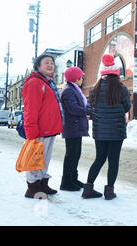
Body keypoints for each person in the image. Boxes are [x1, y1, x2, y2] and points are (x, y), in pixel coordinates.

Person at [82, 54, 131, 200]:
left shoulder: (94, 89)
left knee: (99, 158)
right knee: (113, 161)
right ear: (116, 73)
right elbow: (127, 107)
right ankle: (109, 192)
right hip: (116, 130)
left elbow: (88, 109)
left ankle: (88, 188)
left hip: (100, 130)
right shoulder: (121, 88)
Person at [22, 54, 64, 198]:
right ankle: (32, 188)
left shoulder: (48, 83)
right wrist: (31, 132)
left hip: (49, 129)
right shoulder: (35, 83)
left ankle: (42, 184)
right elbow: (30, 110)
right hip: (39, 130)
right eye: (46, 62)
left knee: (45, 160)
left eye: (52, 63)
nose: (50, 65)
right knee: (35, 160)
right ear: (38, 66)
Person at [59, 66, 89, 191]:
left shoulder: (73, 89)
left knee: (75, 154)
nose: (82, 79)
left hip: (75, 127)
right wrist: (88, 111)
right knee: (71, 155)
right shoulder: (68, 91)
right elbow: (73, 109)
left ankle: (73, 179)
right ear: (75, 78)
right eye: (81, 77)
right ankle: (66, 182)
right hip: (72, 127)